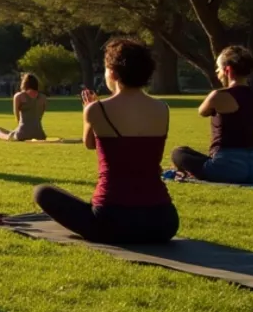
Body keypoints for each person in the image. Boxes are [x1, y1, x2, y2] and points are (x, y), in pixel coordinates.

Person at [32, 38, 178, 244]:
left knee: (42, 192)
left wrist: (87, 111)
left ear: (114, 73)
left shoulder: (97, 109)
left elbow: (90, 143)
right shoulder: (163, 108)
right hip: (163, 222)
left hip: (113, 221)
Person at [170, 46, 253, 184]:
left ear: (228, 70)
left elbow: (202, 111)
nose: (217, 72)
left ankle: (186, 172)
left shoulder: (218, 96)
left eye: (219, 68)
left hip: (226, 168)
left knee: (179, 153)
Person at [0, 74, 49, 141]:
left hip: (22, 134)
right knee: (13, 131)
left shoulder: (19, 96)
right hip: (40, 134)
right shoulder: (43, 98)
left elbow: (17, 118)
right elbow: (40, 116)